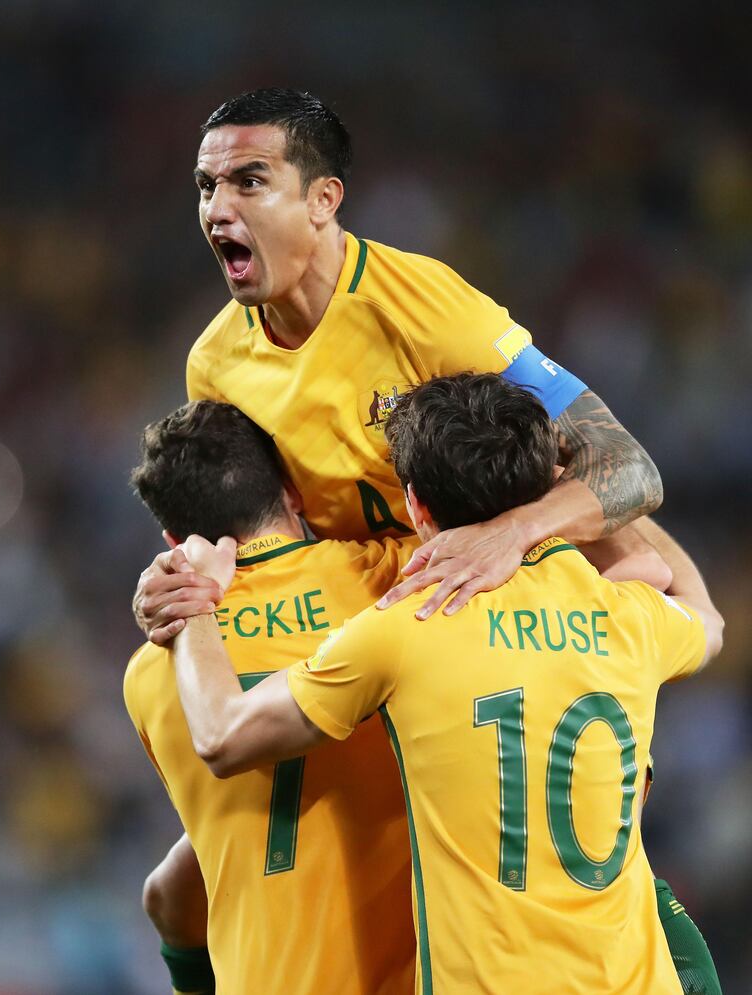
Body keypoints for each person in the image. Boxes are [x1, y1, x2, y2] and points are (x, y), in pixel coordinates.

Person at [169, 374, 724, 995]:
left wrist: (192, 604)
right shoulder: (627, 613)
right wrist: (579, 501)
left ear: (415, 508)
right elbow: (707, 617)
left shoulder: (406, 628)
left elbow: (220, 736)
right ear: (541, 485)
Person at [133, 86, 665, 643]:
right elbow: (241, 535)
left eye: (251, 182)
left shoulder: (430, 312)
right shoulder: (214, 366)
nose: (217, 210)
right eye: (206, 186)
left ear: (323, 200)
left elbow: (627, 467)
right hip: (374, 625)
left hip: (497, 609)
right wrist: (176, 583)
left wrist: (509, 534)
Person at [125, 400, 420, 995]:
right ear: (293, 490)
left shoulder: (151, 670)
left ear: (174, 540)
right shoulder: (394, 579)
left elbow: (193, 866)